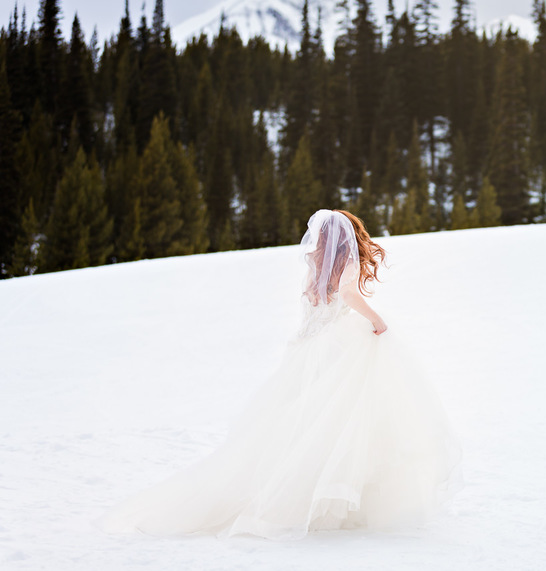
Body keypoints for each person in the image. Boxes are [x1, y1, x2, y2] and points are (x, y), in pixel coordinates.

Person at [98, 209, 462, 539]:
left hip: (309, 347)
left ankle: (310, 492)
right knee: (342, 416)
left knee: (310, 419)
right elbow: (349, 296)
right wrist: (377, 320)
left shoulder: (316, 267)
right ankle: (328, 496)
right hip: (336, 344)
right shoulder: (345, 266)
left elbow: (316, 307)